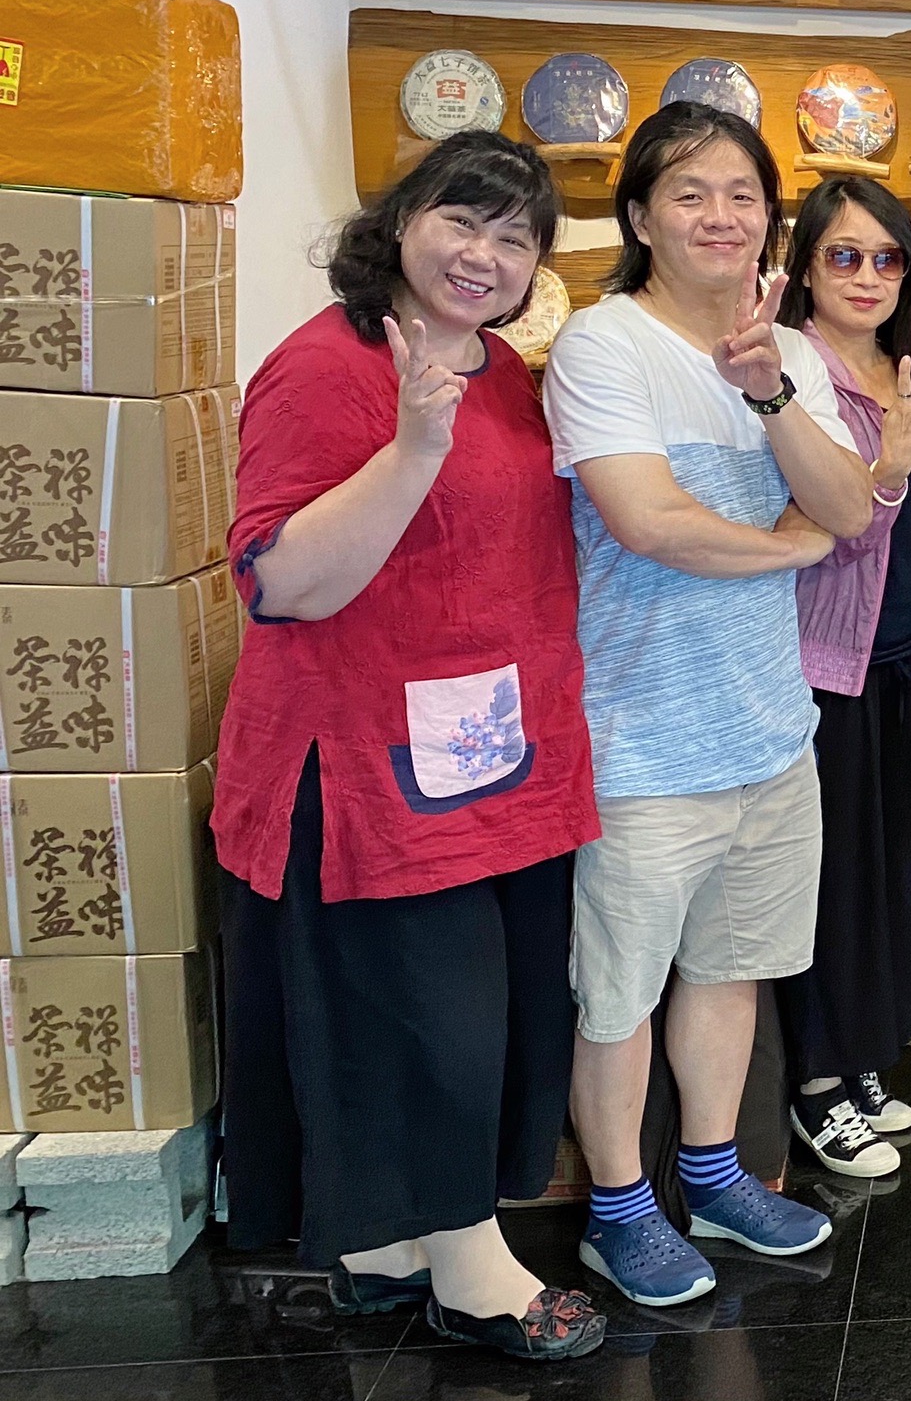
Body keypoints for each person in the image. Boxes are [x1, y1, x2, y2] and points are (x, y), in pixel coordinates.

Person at [215, 131, 606, 1360]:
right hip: (364, 761)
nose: (483, 255)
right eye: (460, 221)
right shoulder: (324, 366)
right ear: (399, 224)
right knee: (436, 1021)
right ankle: (472, 1269)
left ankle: (391, 1246)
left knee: (492, 1010)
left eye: (514, 237)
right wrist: (410, 451)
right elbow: (278, 582)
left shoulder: (503, 371)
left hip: (493, 753)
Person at [544, 103, 873, 1305]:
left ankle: (717, 1174)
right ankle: (617, 1212)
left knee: (731, 971)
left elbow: (850, 506)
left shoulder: (787, 353)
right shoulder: (603, 346)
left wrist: (772, 395)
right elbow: (648, 520)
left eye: (742, 194)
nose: (720, 216)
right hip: (639, 738)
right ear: (640, 216)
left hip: (769, 732)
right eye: (690, 193)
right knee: (619, 995)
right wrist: (786, 547)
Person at [771, 175, 911, 1178]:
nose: (868, 276)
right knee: (830, 882)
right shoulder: (791, 369)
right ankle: (816, 1082)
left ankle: (866, 1051)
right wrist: (892, 465)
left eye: (887, 258)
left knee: (895, 873)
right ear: (805, 268)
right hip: (825, 663)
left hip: (910, 658)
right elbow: (828, 524)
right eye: (844, 255)